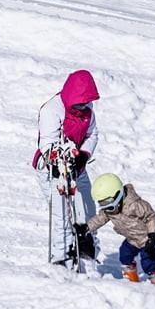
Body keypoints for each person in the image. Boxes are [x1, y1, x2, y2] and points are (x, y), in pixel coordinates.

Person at [32, 70, 99, 268]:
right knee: (62, 213)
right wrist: (55, 160)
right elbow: (46, 142)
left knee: (87, 207)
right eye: (80, 102)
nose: (84, 106)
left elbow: (93, 135)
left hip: (77, 165)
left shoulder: (88, 110)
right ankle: (60, 258)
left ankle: (86, 250)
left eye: (86, 102)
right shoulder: (52, 110)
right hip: (52, 168)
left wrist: (84, 156)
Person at [88, 173, 155, 287]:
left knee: (148, 263)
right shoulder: (111, 210)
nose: (106, 209)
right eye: (101, 204)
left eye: (107, 204)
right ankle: (132, 280)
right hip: (132, 239)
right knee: (124, 255)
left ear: (119, 195)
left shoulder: (135, 205)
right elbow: (100, 218)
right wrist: (86, 227)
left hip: (147, 240)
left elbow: (150, 216)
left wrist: (153, 235)